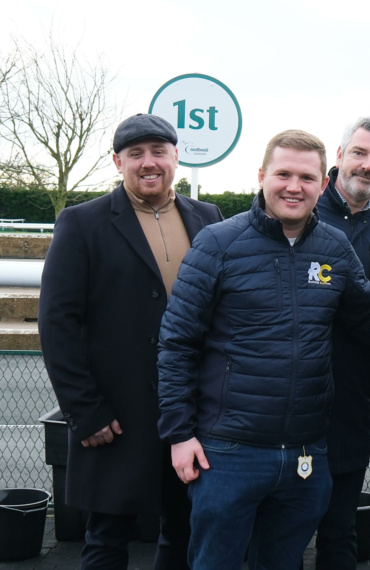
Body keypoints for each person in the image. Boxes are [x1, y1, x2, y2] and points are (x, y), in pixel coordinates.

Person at [156, 129, 370, 570]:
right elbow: (177, 342)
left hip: (304, 455)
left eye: (306, 177)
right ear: (262, 176)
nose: (294, 187)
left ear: (323, 183)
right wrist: (180, 434)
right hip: (227, 454)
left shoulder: (335, 248)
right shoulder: (218, 243)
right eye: (283, 174)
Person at [38, 113, 224, 569]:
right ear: (117, 161)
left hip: (194, 414)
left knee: (184, 534)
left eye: (158, 152)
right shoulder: (82, 223)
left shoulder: (209, 218)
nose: (148, 163)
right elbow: (57, 322)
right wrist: (85, 411)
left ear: (176, 157)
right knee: (106, 541)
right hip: (115, 416)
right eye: (136, 154)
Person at [311, 117, 370, 568]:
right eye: (360, 154)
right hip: (286, 400)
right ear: (340, 155)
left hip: (351, 399)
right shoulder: (302, 207)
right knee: (281, 533)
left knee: (340, 531)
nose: (368, 166)